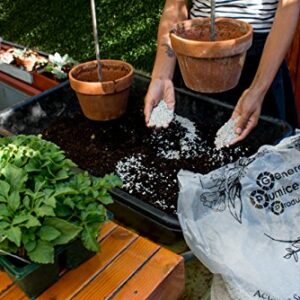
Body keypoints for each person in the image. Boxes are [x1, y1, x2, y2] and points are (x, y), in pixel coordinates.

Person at [144, 0, 300, 144]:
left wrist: (258, 89)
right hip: (194, 57)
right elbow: (175, 6)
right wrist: (161, 76)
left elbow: (289, 5)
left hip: (259, 62)